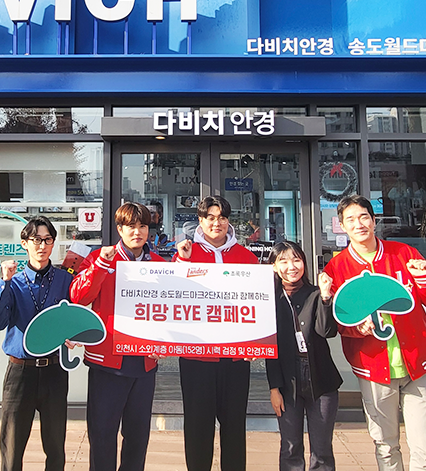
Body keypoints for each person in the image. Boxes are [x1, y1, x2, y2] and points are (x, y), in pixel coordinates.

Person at [320, 194, 426, 471]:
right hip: (374, 369)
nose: (359, 224)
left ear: (374, 220)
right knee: (385, 446)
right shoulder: (337, 268)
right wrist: (357, 327)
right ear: (341, 225)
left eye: (363, 217)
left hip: (417, 364)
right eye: (350, 219)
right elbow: (338, 322)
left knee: (425, 447)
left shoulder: (404, 254)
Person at [70, 202, 165, 471]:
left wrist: (164, 343)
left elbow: (169, 310)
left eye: (143, 226)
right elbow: (79, 297)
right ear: (120, 229)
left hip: (145, 363)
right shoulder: (100, 257)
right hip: (107, 362)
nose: (138, 232)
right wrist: (101, 265)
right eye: (131, 226)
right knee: (102, 434)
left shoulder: (160, 264)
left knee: (137, 437)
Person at [174, 195, 258, 471]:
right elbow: (173, 295)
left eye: (221, 217)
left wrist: (255, 343)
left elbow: (257, 304)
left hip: (235, 356)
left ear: (228, 221)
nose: (216, 223)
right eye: (210, 217)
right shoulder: (186, 254)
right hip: (196, 355)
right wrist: (182, 261)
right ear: (200, 221)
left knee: (234, 424)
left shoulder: (246, 257)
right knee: (197, 425)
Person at [0, 216, 74, 471]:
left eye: (47, 240)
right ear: (24, 243)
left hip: (54, 370)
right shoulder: (13, 281)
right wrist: (4, 282)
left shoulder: (65, 280)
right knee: (12, 446)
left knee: (55, 446)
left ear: (53, 243)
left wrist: (73, 334)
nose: (42, 246)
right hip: (20, 372)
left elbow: (73, 319)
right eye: (36, 240)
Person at [266, 241, 342, 471]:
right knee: (290, 447)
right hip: (287, 381)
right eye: (283, 261)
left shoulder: (316, 294)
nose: (291, 266)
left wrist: (326, 298)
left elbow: (327, 331)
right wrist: (274, 388)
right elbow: (270, 349)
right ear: (274, 266)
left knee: (322, 449)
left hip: (321, 379)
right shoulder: (269, 300)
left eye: (296, 260)